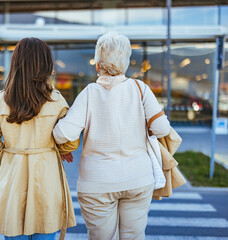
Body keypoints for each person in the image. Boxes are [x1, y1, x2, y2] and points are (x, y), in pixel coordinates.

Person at [53, 32, 171, 240]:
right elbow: (162, 129)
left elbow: (63, 134)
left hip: (97, 183)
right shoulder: (140, 89)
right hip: (137, 178)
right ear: (126, 62)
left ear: (97, 64)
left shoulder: (89, 93)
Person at [0, 37, 78, 240]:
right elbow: (71, 141)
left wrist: (12, 152)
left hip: (13, 178)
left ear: (15, 63)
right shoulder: (57, 100)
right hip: (47, 178)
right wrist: (59, 149)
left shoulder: (1, 100)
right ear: (46, 64)